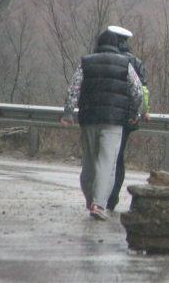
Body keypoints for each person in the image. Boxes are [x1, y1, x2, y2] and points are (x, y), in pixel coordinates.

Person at [60, 29, 143, 220]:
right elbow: (137, 91)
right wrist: (134, 114)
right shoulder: (125, 64)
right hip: (114, 122)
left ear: (98, 44)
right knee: (107, 162)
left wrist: (68, 113)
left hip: (89, 119)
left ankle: (90, 200)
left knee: (89, 163)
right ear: (116, 45)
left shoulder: (86, 62)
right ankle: (98, 204)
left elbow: (74, 88)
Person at [105, 25, 151, 211]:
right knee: (119, 156)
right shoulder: (136, 62)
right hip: (127, 117)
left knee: (105, 155)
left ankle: (101, 195)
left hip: (107, 114)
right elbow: (143, 91)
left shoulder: (104, 57)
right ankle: (113, 196)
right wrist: (144, 111)